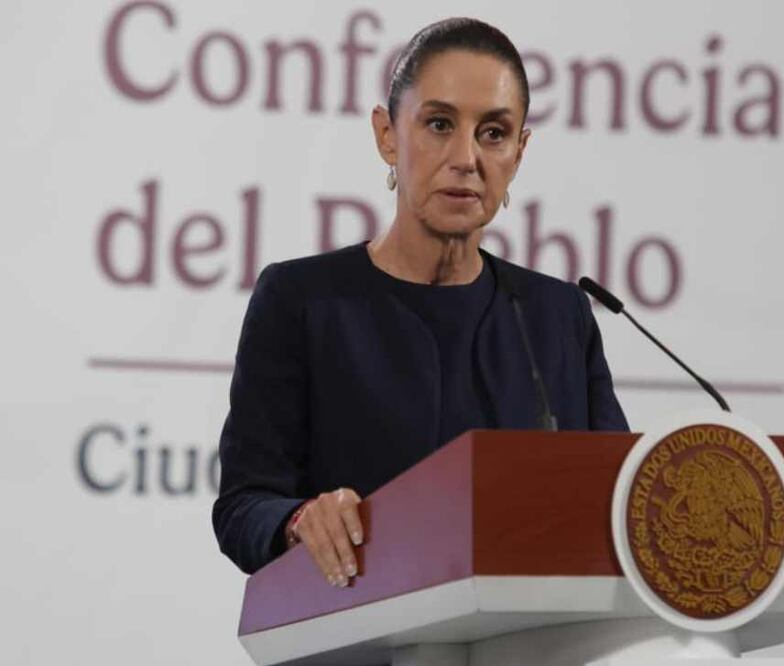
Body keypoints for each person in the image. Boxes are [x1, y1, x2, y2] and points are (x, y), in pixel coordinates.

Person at [212, 18, 629, 585]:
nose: (466, 157)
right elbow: (242, 505)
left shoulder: (557, 318)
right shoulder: (302, 301)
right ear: (387, 134)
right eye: (438, 124)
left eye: (494, 133)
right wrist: (298, 520)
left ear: (520, 152)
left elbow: (621, 504)